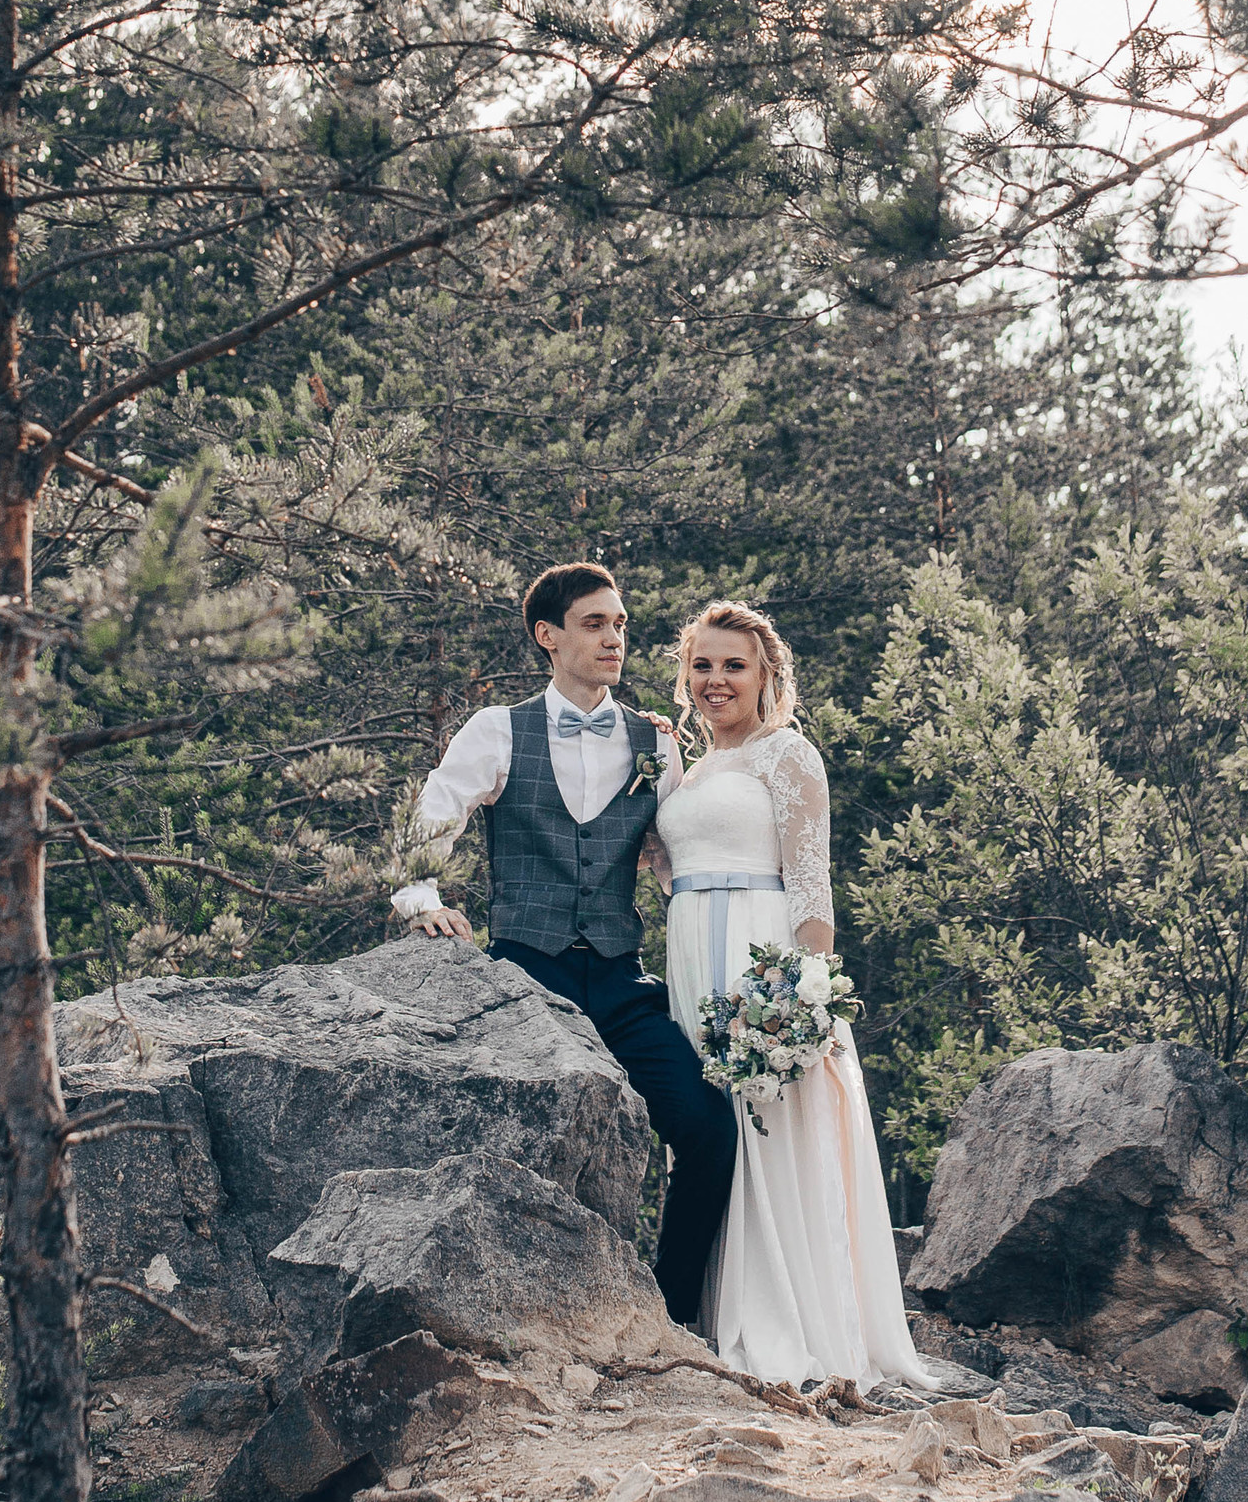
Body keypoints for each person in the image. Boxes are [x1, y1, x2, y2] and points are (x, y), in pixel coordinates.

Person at [391, 561, 740, 1326]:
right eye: (594, 623)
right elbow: (430, 823)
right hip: (526, 977)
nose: (614, 637)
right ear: (548, 636)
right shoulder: (497, 730)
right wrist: (424, 899)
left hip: (621, 979)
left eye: (619, 624)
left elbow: (673, 862)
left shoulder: (656, 743)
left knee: (709, 1130)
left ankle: (673, 1314)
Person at [654, 597, 931, 1393]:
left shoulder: (788, 756)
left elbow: (812, 893)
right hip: (691, 956)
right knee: (711, 1139)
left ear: (766, 673)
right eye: (701, 665)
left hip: (760, 963)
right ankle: (712, 1315)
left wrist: (798, 1003)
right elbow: (672, 866)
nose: (715, 680)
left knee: (773, 1129)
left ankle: (791, 1326)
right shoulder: (690, 768)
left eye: (733, 665)